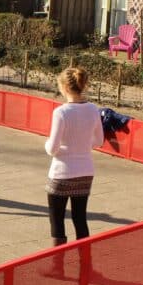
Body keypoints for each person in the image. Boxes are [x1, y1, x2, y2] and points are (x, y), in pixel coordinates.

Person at [44, 67, 104, 249]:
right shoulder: (93, 109)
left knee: (57, 221)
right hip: (85, 171)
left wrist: (48, 144)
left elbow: (52, 149)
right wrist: (82, 146)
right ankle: (84, 259)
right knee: (80, 218)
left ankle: (58, 263)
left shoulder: (61, 112)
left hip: (62, 172)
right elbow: (99, 140)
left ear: (64, 87)